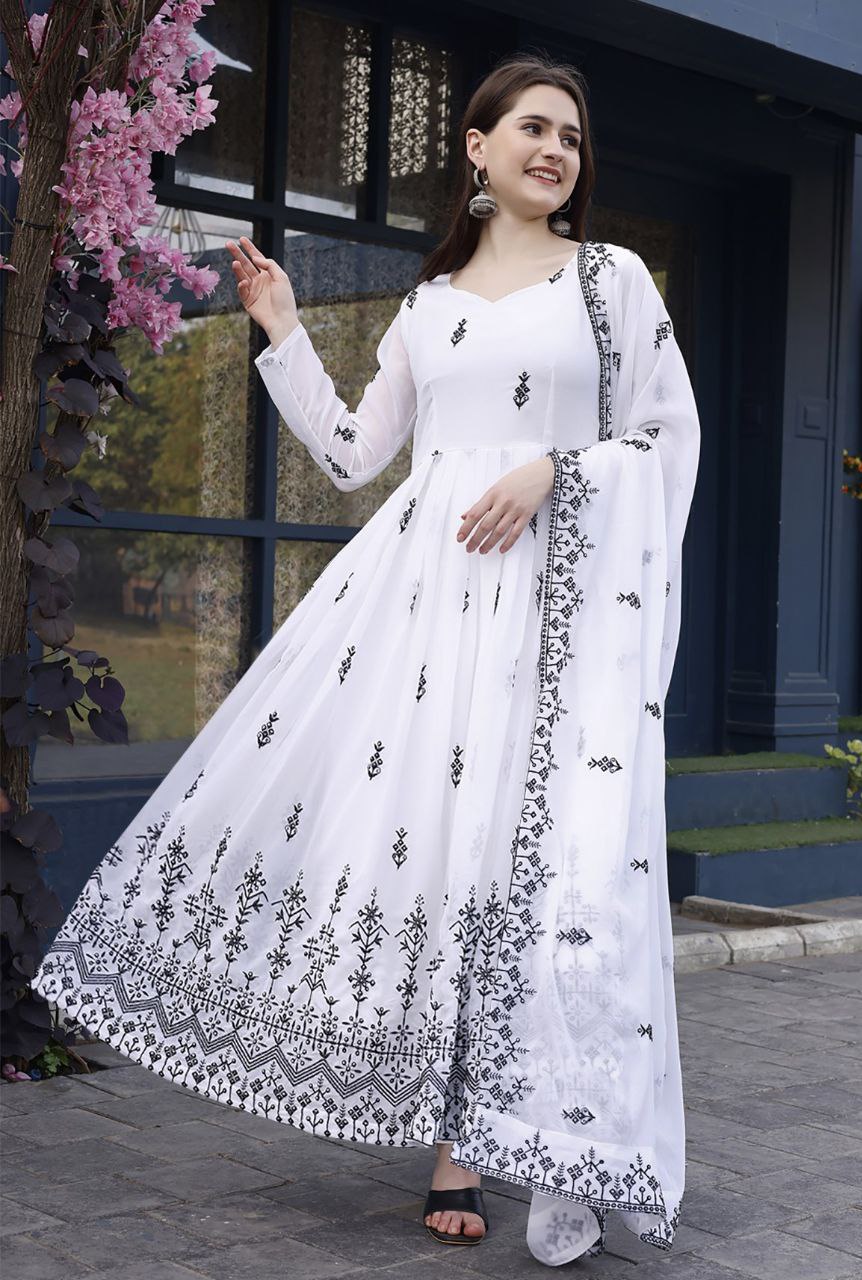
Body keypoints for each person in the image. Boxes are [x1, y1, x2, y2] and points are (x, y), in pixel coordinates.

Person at [30, 52, 700, 1267]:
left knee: (550, 870)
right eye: (532, 128)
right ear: (478, 147)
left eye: (570, 136)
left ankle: (536, 1132)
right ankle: (454, 1138)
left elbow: (663, 434)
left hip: (555, 621)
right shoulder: (428, 303)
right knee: (438, 860)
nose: (555, 151)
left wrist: (554, 469)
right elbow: (351, 453)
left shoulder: (609, 280)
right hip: (425, 617)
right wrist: (283, 331)